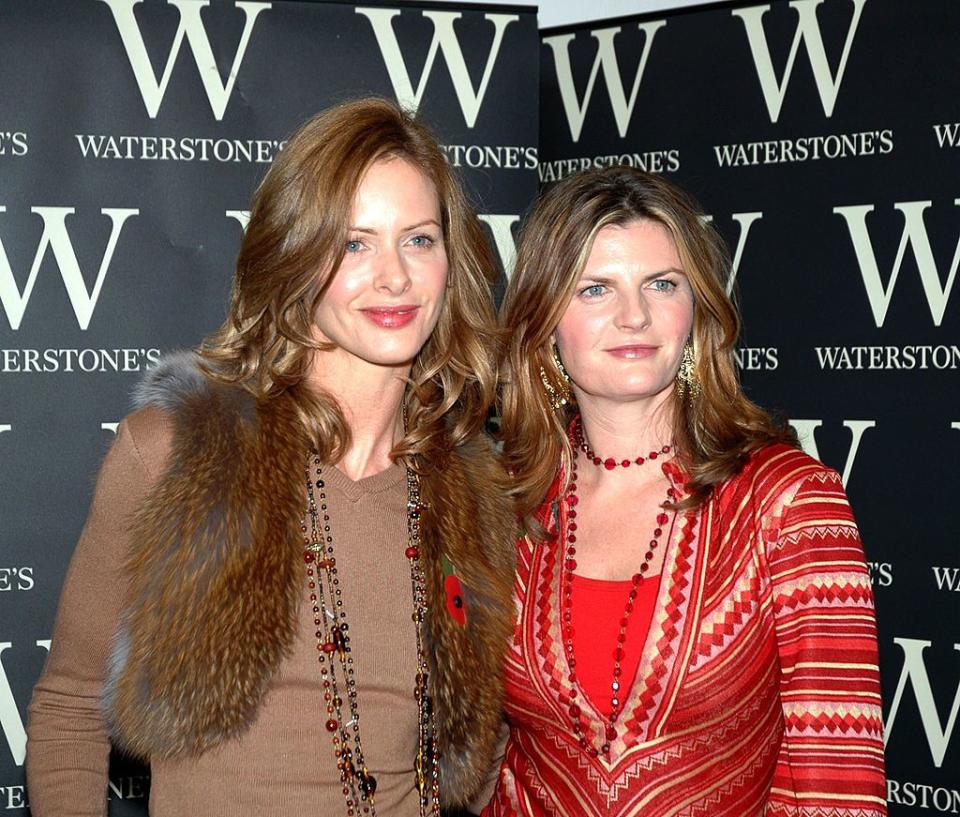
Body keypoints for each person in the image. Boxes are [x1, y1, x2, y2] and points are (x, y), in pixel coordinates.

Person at [26, 97, 515, 817]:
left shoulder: (476, 494)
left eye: (419, 239)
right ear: (294, 255)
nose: (394, 277)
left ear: (452, 260)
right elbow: (69, 708)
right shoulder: (181, 455)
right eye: (354, 243)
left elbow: (492, 754)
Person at [481, 167, 886, 816]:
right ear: (544, 322)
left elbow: (838, 785)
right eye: (595, 289)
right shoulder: (503, 506)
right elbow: (497, 761)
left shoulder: (791, 506)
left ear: (695, 311)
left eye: (661, 284)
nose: (634, 315)